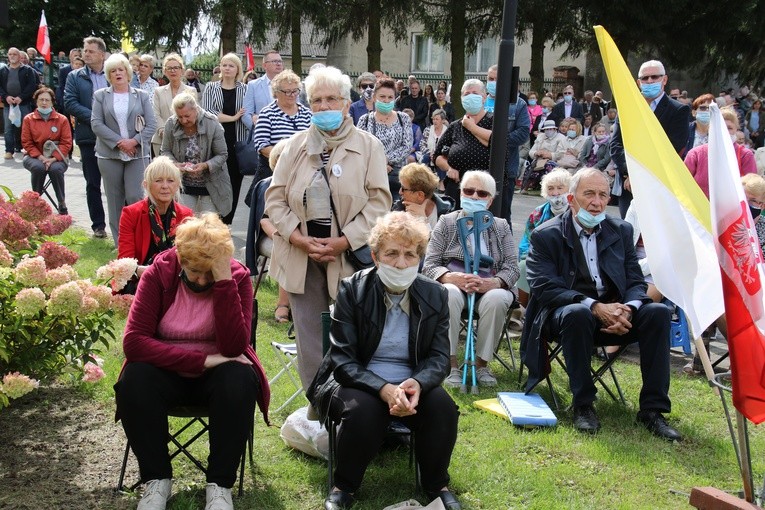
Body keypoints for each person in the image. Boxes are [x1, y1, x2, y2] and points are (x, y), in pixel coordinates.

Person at [307, 212, 461, 510]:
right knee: (363, 412)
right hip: (356, 380)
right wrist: (385, 390)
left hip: (411, 380)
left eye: (409, 254)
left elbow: (440, 358)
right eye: (391, 253)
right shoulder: (352, 289)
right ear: (375, 257)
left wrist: (416, 383)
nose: (401, 263)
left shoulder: (436, 295)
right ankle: (344, 487)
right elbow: (342, 361)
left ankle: (437, 483)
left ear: (419, 258)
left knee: (443, 408)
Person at [115, 213, 270, 510]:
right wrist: (203, 359)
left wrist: (223, 281)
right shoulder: (157, 273)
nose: (201, 280)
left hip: (218, 377)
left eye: (208, 272)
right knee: (135, 378)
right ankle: (156, 479)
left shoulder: (234, 277)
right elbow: (134, 343)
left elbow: (235, 346)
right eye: (194, 271)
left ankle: (220, 486)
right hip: (166, 372)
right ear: (180, 259)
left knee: (239, 377)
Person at [522, 168, 680, 440]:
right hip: (565, 317)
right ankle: (583, 405)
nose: (597, 202)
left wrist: (628, 309)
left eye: (603, 195)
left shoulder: (620, 230)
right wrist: (594, 306)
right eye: (589, 194)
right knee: (577, 313)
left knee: (656, 312)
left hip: (615, 313)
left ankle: (653, 411)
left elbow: (634, 279)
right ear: (571, 199)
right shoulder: (545, 235)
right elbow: (544, 287)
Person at [264, 65, 392, 395]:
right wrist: (296, 237)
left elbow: (379, 204)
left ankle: (355, 404)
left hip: (349, 257)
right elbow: (275, 200)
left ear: (346, 104)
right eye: (317, 100)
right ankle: (318, 407)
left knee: (353, 335)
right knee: (310, 340)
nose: (323, 106)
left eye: (331, 99)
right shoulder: (293, 147)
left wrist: (343, 241)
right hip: (301, 255)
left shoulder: (369, 147)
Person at [423, 171, 519, 387]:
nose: (474, 196)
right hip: (454, 283)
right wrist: (449, 277)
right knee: (448, 293)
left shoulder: (501, 226)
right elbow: (429, 265)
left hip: (489, 284)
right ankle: (451, 365)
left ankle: (481, 365)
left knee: (496, 298)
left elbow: (512, 267)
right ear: (461, 193)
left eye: (482, 193)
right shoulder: (446, 222)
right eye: (469, 191)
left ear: (491, 200)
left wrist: (492, 283)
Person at [610, 59, 690, 217]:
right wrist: (631, 173)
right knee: (628, 233)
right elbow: (616, 145)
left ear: (664, 79)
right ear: (638, 82)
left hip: (661, 186)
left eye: (655, 77)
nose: (650, 81)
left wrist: (641, 176)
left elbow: (672, 149)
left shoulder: (679, 110)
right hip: (629, 185)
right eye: (645, 78)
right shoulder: (627, 108)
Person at [90, 54, 157, 244]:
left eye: (120, 69)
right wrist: (121, 142)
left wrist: (133, 142)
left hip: (137, 154)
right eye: (113, 70)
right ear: (108, 75)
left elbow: (151, 125)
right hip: (109, 154)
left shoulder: (141, 96)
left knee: (135, 196)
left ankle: (139, 240)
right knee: (114, 199)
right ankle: (120, 243)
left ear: (128, 73)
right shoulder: (101, 95)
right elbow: (96, 123)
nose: (117, 73)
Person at [117, 156, 194, 293]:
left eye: (170, 181)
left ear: (177, 185)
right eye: (158, 181)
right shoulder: (131, 213)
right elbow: (125, 261)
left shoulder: (186, 215)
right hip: (140, 280)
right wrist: (150, 272)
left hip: (176, 280)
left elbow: (190, 258)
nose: (165, 186)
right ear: (146, 185)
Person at [64, 36, 109, 238]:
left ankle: (121, 222)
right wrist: (95, 119)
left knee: (117, 184)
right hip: (88, 136)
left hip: (113, 137)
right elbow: (70, 103)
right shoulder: (75, 76)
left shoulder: (113, 73)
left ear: (102, 54)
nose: (86, 54)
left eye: (91, 51)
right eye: (85, 50)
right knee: (92, 182)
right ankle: (98, 225)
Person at [161, 92, 232, 217]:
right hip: (183, 183)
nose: (184, 120)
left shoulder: (212, 123)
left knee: (208, 225)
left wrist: (205, 165)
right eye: (180, 117)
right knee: (183, 222)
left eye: (187, 116)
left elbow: (222, 154)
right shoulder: (171, 124)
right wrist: (175, 164)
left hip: (211, 183)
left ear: (196, 109)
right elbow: (165, 151)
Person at [201, 53, 248, 225]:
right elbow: (207, 112)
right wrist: (234, 117)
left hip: (238, 143)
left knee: (235, 183)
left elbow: (248, 112)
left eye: (231, 65)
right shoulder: (211, 87)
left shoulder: (245, 89)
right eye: (224, 65)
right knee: (216, 181)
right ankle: (214, 220)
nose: (227, 68)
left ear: (237, 70)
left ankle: (227, 222)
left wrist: (240, 118)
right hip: (216, 141)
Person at [516, 168, 571, 307]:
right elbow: (526, 242)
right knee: (523, 267)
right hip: (540, 259)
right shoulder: (538, 214)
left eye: (560, 188)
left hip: (568, 262)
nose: (556, 192)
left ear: (570, 190)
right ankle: (522, 312)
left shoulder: (577, 212)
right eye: (551, 188)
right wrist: (529, 258)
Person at [434, 79, 493, 205]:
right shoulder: (455, 126)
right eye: (467, 94)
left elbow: (496, 142)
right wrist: (449, 167)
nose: (470, 96)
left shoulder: (494, 121)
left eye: (474, 93)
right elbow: (437, 156)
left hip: (484, 191)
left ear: (483, 97)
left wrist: (471, 127)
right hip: (457, 188)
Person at [252, 69, 312, 182]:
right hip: (272, 173)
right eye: (287, 91)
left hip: (302, 172)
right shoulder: (267, 113)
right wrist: (286, 158)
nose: (292, 95)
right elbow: (262, 145)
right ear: (276, 92)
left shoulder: (307, 113)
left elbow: (314, 141)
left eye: (295, 91)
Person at [21, 87, 73, 215]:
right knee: (39, 168)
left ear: (52, 102)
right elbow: (26, 142)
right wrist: (41, 158)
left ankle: (62, 202)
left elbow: (66, 142)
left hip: (58, 158)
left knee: (55, 169)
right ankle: (35, 202)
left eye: (47, 100)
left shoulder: (62, 119)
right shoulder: (28, 119)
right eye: (41, 100)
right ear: (36, 101)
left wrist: (53, 158)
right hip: (34, 157)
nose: (44, 103)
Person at [685, 106, 756, 198]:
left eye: (729, 128)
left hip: (732, 210)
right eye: (720, 126)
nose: (724, 131)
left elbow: (752, 189)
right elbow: (684, 184)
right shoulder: (695, 154)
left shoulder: (745, 155)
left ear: (736, 130)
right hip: (700, 209)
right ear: (711, 128)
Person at [357, 78, 413, 196]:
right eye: (382, 97)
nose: (386, 100)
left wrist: (386, 160)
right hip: (372, 178)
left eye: (390, 97)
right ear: (374, 97)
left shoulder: (403, 119)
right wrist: (379, 163)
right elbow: (360, 148)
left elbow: (406, 146)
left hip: (398, 178)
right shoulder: (365, 120)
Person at [150, 54, 196, 157]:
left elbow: (194, 115)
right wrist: (164, 132)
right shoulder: (158, 91)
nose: (173, 71)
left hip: (185, 139)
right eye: (169, 68)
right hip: (161, 140)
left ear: (182, 70)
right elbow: (155, 114)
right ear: (165, 71)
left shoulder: (191, 91)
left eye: (176, 68)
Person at [0, 47, 37, 159]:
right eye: (10, 54)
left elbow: (31, 86)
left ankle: (27, 149)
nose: (12, 56)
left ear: (19, 56)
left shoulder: (27, 70)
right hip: (8, 104)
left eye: (14, 54)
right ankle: (9, 150)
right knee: (8, 128)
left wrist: (21, 97)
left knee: (26, 127)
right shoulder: (3, 70)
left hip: (23, 103)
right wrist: (6, 97)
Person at [392, 162, 454, 229]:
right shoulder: (398, 210)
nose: (400, 192)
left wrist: (423, 221)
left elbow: (441, 239)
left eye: (403, 189)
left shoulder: (448, 213)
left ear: (420, 195)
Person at [521, 120, 565, 193]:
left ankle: (549, 189)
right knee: (530, 167)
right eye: (546, 129)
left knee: (548, 167)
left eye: (550, 129)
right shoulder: (540, 136)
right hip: (539, 160)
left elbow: (560, 153)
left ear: (555, 129)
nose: (548, 131)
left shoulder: (561, 138)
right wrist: (536, 153)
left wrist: (549, 155)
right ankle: (525, 188)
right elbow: (531, 151)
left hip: (553, 161)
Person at [243, 50, 284, 128]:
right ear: (265, 65)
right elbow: (246, 114)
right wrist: (259, 129)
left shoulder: (290, 85)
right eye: (274, 61)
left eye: (280, 61)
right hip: (262, 134)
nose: (278, 64)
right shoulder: (253, 85)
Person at [420, 108, 448, 181]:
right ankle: (424, 181)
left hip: (442, 155)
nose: (434, 121)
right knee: (425, 159)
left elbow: (449, 146)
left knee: (440, 160)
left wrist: (438, 154)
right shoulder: (428, 130)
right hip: (428, 154)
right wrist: (430, 153)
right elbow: (422, 144)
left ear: (443, 120)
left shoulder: (447, 131)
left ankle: (442, 183)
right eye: (433, 119)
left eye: (437, 119)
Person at [55, 48, 82, 117]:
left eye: (79, 55)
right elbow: (61, 86)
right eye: (75, 55)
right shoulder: (64, 70)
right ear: (70, 57)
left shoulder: (84, 71)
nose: (77, 57)